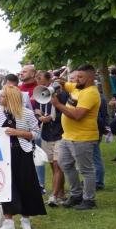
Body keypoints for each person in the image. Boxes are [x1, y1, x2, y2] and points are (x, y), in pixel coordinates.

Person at [0, 85, 47, 229]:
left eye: (2, 96)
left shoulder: (27, 114)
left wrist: (18, 133)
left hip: (23, 152)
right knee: (6, 186)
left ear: (10, 98)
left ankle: (25, 220)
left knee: (26, 185)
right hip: (3, 155)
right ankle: (8, 222)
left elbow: (36, 134)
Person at [52, 66, 101, 211]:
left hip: (82, 137)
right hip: (68, 136)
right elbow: (64, 84)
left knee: (86, 170)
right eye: (76, 76)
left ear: (91, 78)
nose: (76, 79)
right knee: (65, 164)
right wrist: (58, 82)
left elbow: (77, 116)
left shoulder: (90, 93)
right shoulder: (77, 88)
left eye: (81, 77)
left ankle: (89, 199)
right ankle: (76, 195)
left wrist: (58, 105)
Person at [34, 72, 66, 206]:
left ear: (49, 80)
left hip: (60, 133)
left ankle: (53, 196)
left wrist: (52, 117)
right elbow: (36, 113)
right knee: (53, 166)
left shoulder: (61, 95)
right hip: (47, 134)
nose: (38, 81)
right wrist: (39, 116)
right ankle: (61, 193)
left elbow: (66, 113)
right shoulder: (39, 95)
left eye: (40, 78)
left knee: (58, 165)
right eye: (36, 79)